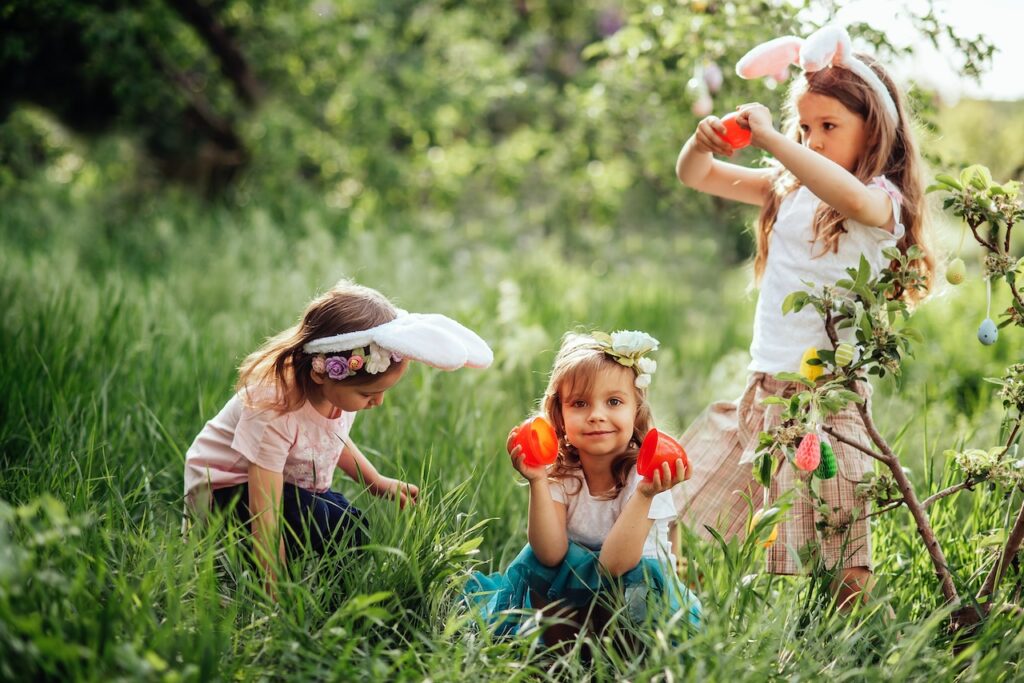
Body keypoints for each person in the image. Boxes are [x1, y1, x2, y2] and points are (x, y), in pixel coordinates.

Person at [673, 24, 934, 606]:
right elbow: (696, 177)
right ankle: (680, 617)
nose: (812, 141)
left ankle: (853, 641)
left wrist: (776, 141)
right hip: (765, 389)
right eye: (805, 127)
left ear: (876, 130)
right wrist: (704, 142)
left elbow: (845, 193)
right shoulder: (788, 189)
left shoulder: (881, 203)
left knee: (841, 545)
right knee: (693, 511)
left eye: (829, 127)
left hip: (831, 399)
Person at [183, 278, 492, 593]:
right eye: (367, 393)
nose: (378, 402)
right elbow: (265, 511)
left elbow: (327, 437)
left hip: (273, 479)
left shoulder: (336, 393)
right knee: (321, 521)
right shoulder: (273, 408)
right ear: (322, 371)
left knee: (349, 524)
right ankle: (245, 569)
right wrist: (271, 589)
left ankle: (337, 590)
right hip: (224, 491)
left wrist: (375, 480)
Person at [468, 331, 702, 642]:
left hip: (634, 596)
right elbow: (549, 554)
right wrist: (538, 481)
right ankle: (562, 652)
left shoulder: (647, 477)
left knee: (630, 616)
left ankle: (615, 653)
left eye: (614, 402)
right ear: (560, 416)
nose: (596, 416)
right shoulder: (563, 472)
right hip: (576, 590)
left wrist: (645, 495)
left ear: (637, 410)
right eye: (579, 403)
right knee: (539, 566)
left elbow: (614, 566)